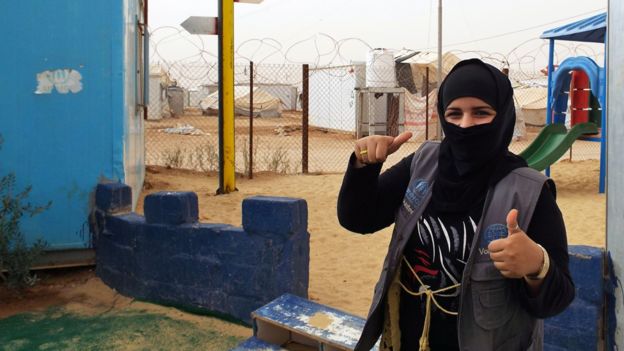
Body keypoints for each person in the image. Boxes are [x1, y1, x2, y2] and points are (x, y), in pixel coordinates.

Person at [337, 58, 574, 351]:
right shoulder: (423, 163)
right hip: (408, 339)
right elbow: (359, 218)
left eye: (481, 113)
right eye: (454, 113)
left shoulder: (529, 192)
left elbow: (557, 298)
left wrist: (537, 266)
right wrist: (363, 166)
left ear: (502, 116)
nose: (465, 124)